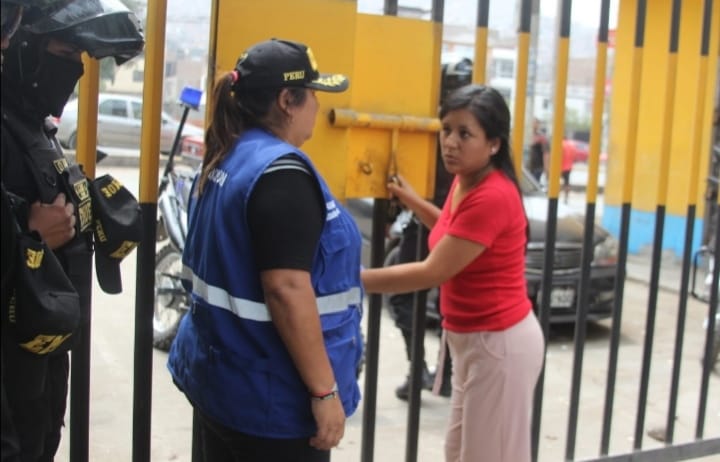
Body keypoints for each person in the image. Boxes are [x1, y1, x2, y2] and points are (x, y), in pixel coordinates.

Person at [167, 38, 364, 462]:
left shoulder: (231, 155)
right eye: (312, 95)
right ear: (287, 101)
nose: (316, 106)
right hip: (271, 402)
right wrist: (325, 391)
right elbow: (286, 289)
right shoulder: (282, 173)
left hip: (226, 386)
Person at [362, 84, 545, 462]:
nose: (450, 142)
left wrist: (353, 278)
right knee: (460, 454)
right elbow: (449, 230)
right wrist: (412, 199)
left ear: (493, 143)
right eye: (446, 129)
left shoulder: (492, 195)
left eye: (465, 134)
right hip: (472, 344)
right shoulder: (467, 180)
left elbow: (433, 271)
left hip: (498, 346)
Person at [1, 1, 143, 460]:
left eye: (82, 57)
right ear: (24, 48)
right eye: (65, 54)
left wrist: (88, 206)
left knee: (41, 438)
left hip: (42, 344)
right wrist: (30, 233)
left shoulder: (35, 125)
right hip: (9, 356)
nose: (77, 69)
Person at [387, 58, 473, 401]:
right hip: (432, 223)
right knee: (419, 299)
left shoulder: (441, 125)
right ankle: (429, 371)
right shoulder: (438, 125)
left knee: (432, 299)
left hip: (449, 225)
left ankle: (433, 372)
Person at [528, 117, 549, 183]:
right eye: (533, 123)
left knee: (535, 182)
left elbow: (546, 153)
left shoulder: (541, 137)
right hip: (530, 166)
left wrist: (546, 167)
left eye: (536, 123)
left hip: (538, 166)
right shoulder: (530, 136)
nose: (534, 125)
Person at [560, 138, 576, 204]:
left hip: (560, 166)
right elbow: (574, 156)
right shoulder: (571, 145)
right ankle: (566, 197)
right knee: (566, 183)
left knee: (555, 182)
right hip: (568, 167)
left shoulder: (561, 144)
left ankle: (554, 195)